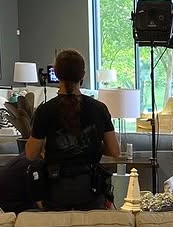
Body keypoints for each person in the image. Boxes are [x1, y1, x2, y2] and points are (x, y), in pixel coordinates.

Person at [26, 50, 119, 211]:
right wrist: (92, 144)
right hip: (91, 191)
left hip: (55, 190)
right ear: (83, 74)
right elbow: (114, 150)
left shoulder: (45, 111)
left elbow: (30, 154)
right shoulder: (99, 108)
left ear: (56, 74)